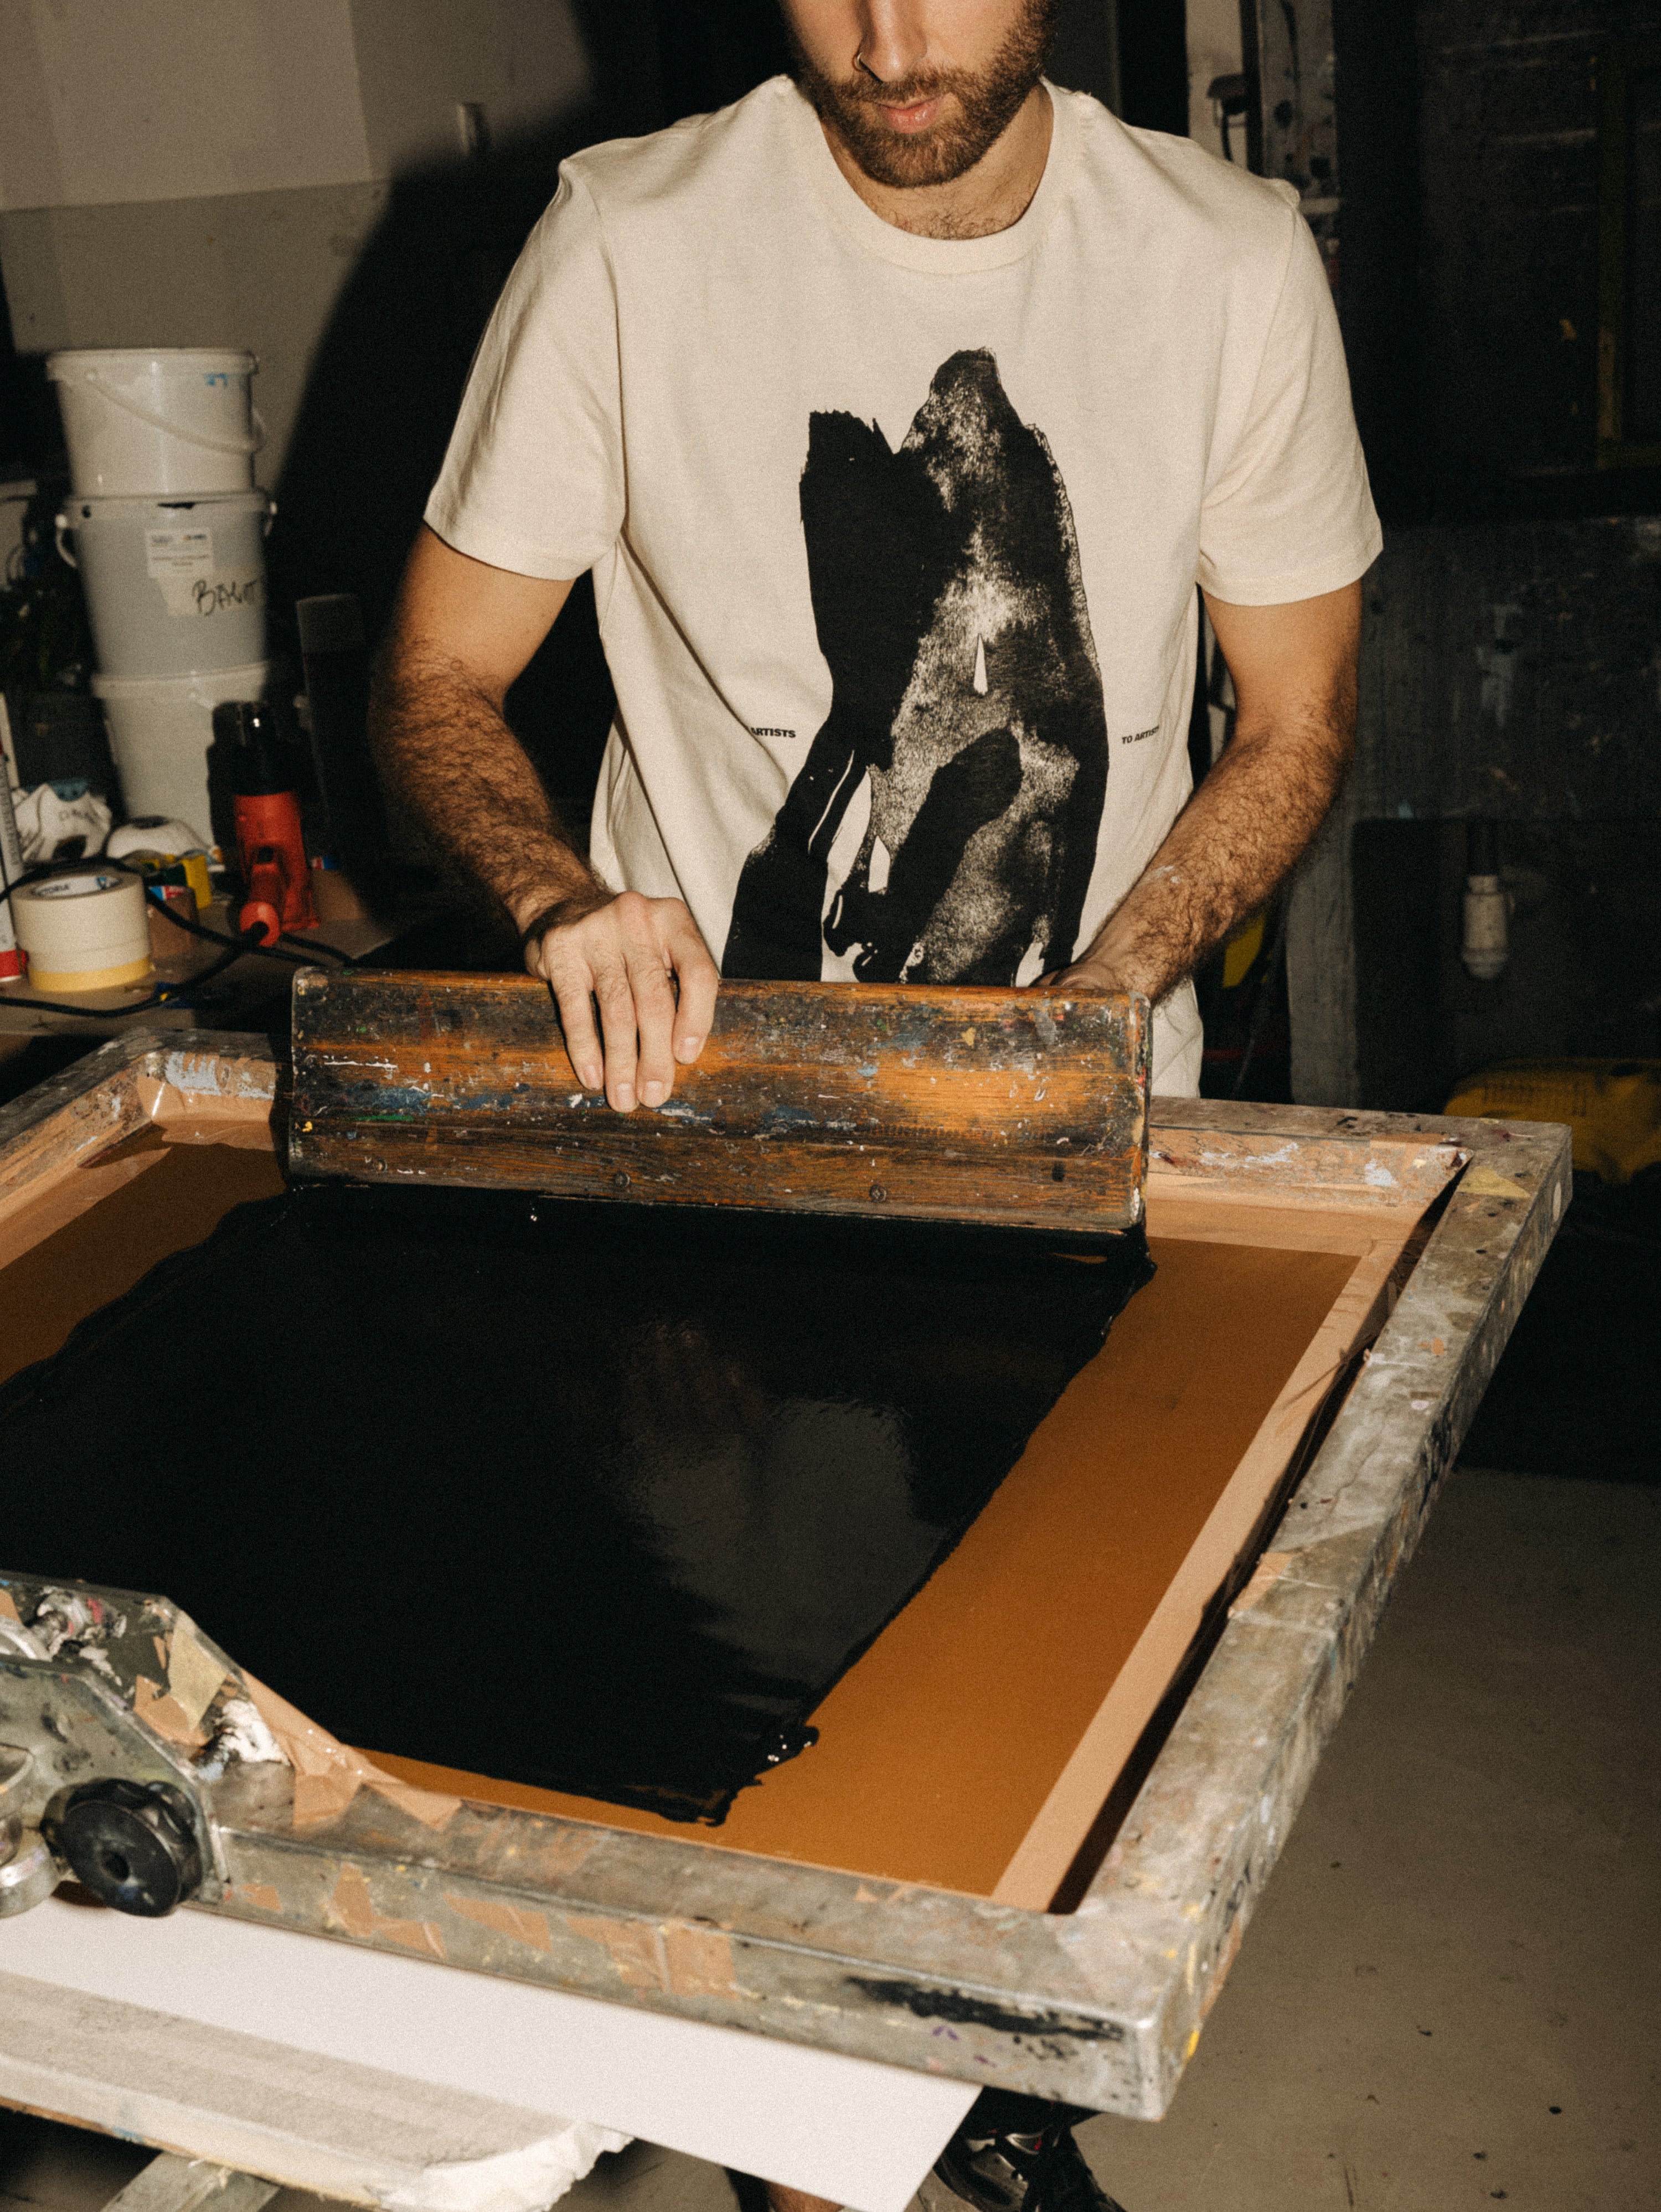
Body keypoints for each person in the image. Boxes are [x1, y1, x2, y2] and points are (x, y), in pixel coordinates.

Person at [371, 3, 1380, 2204]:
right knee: (779, 1725)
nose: (894, 41)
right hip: (713, 1137)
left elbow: (1294, 713)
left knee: (1057, 1707)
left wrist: (1111, 988)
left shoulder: (1225, 261)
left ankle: (981, 2110)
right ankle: (836, 2147)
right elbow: (442, 672)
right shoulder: (628, 240)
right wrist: (556, 893)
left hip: (1079, 1134)